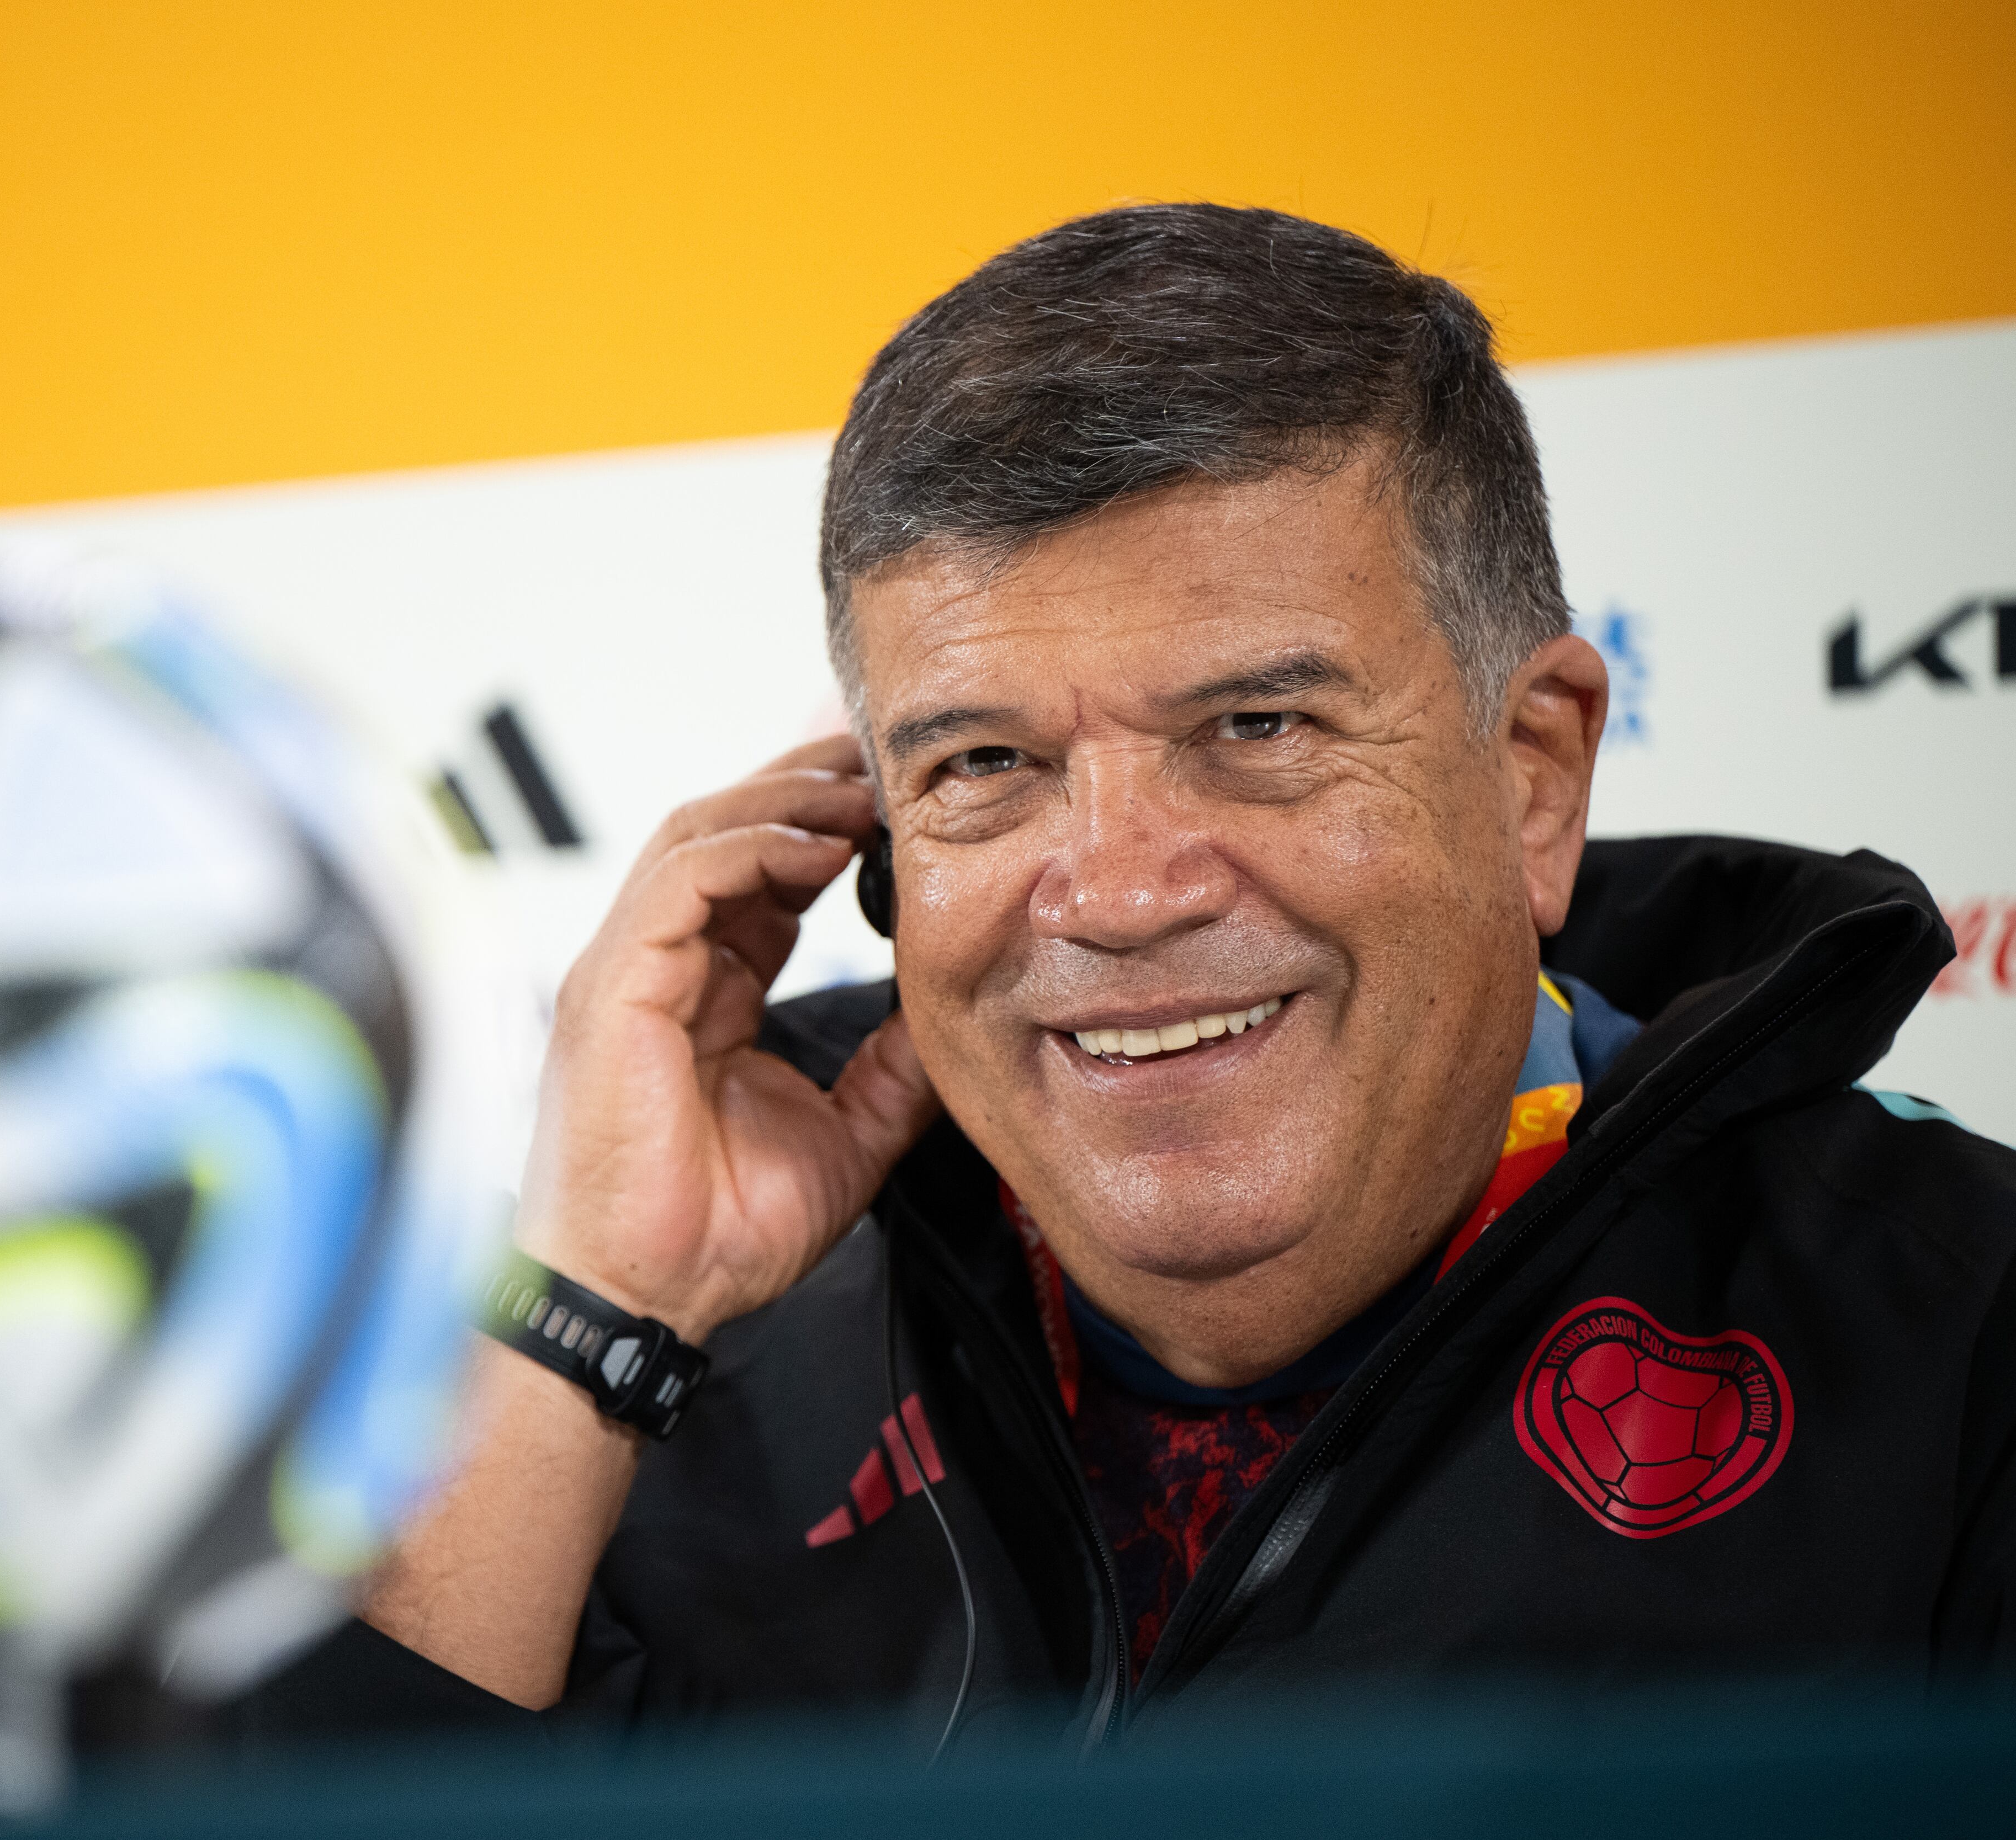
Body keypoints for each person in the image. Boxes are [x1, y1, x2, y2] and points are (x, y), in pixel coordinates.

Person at [240, 204, 2016, 1749]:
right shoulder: (656, 1375)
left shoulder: (1959, 1338)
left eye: (1259, 726)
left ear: (1533, 770)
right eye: (984, 768)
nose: (1115, 892)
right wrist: (596, 1303)